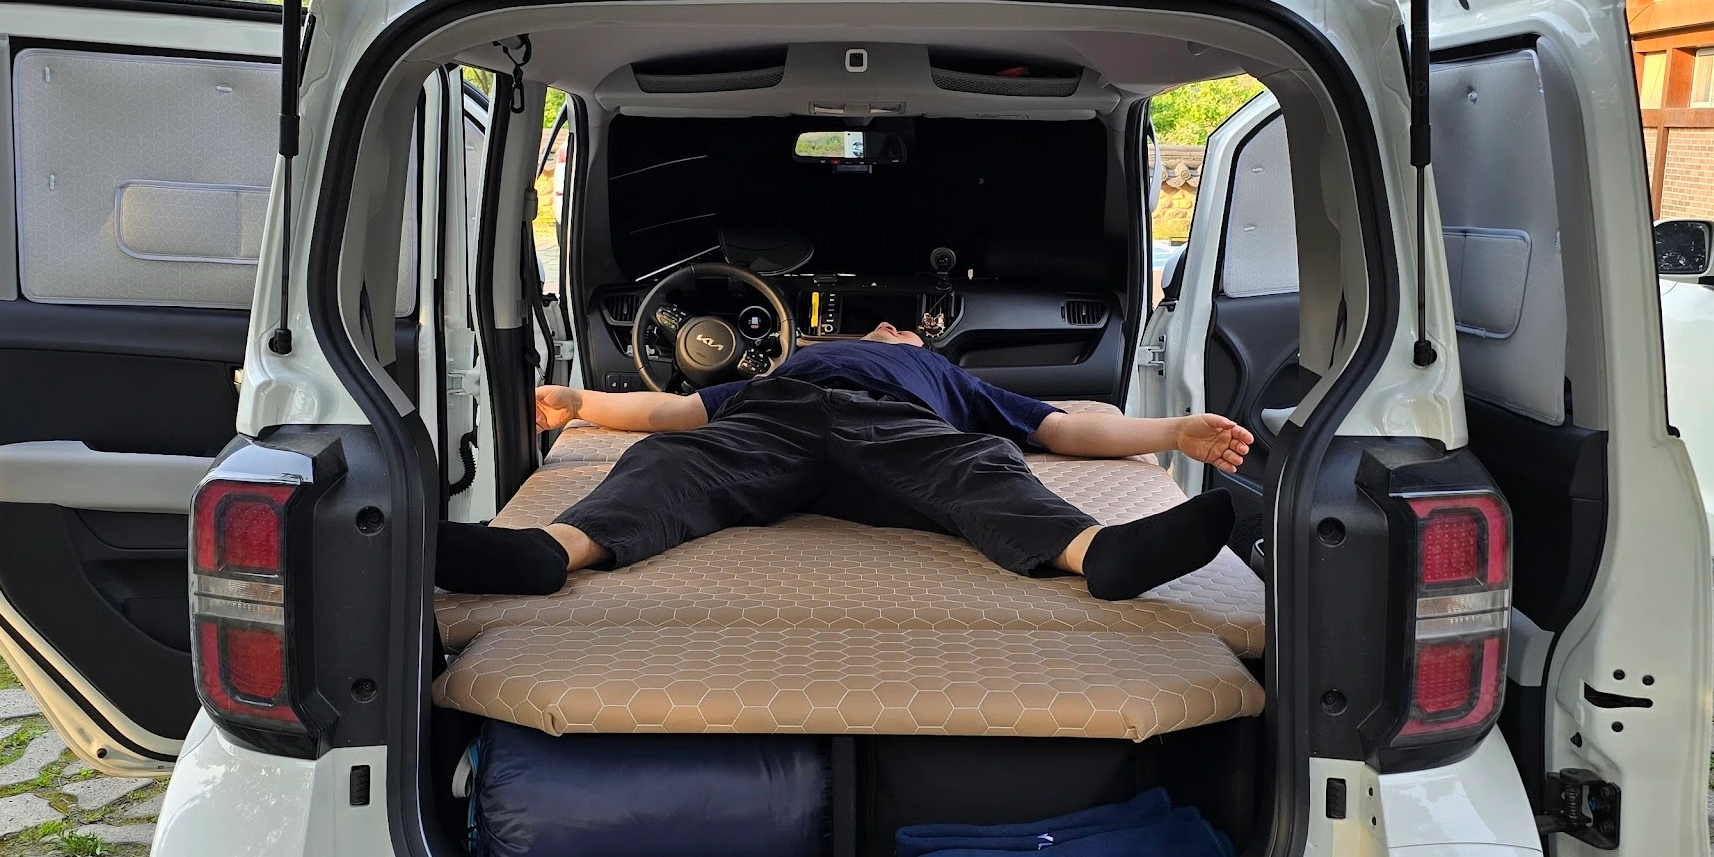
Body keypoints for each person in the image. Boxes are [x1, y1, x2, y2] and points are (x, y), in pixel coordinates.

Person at [437, 323, 1254, 601]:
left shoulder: (943, 376)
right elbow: (672, 413)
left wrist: (1172, 431)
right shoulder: (785, 368)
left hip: (893, 430)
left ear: (919, 346)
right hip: (775, 423)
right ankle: (548, 551)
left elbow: (1063, 430)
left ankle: (1097, 551)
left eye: (902, 330)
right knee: (666, 465)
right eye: (879, 329)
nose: (889, 330)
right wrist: (580, 402)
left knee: (979, 466)